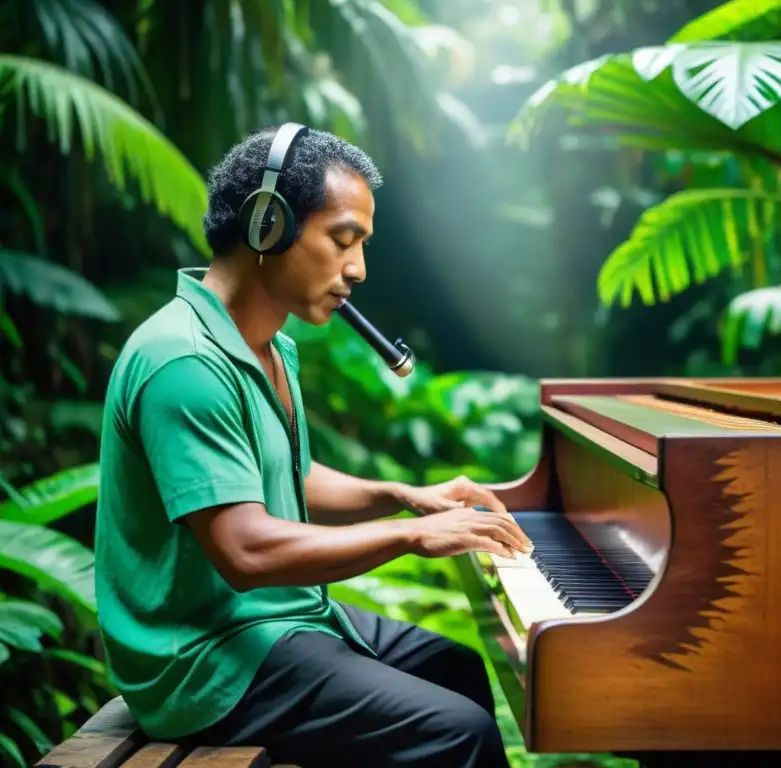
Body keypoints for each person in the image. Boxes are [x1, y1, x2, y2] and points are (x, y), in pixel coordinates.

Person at [93, 123, 533, 768]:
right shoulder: (183, 361)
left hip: (278, 619)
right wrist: (412, 538)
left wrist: (405, 498)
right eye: (342, 240)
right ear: (266, 226)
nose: (356, 268)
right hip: (204, 657)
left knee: (457, 668)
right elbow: (245, 549)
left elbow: (286, 476)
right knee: (458, 731)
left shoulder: (269, 347)